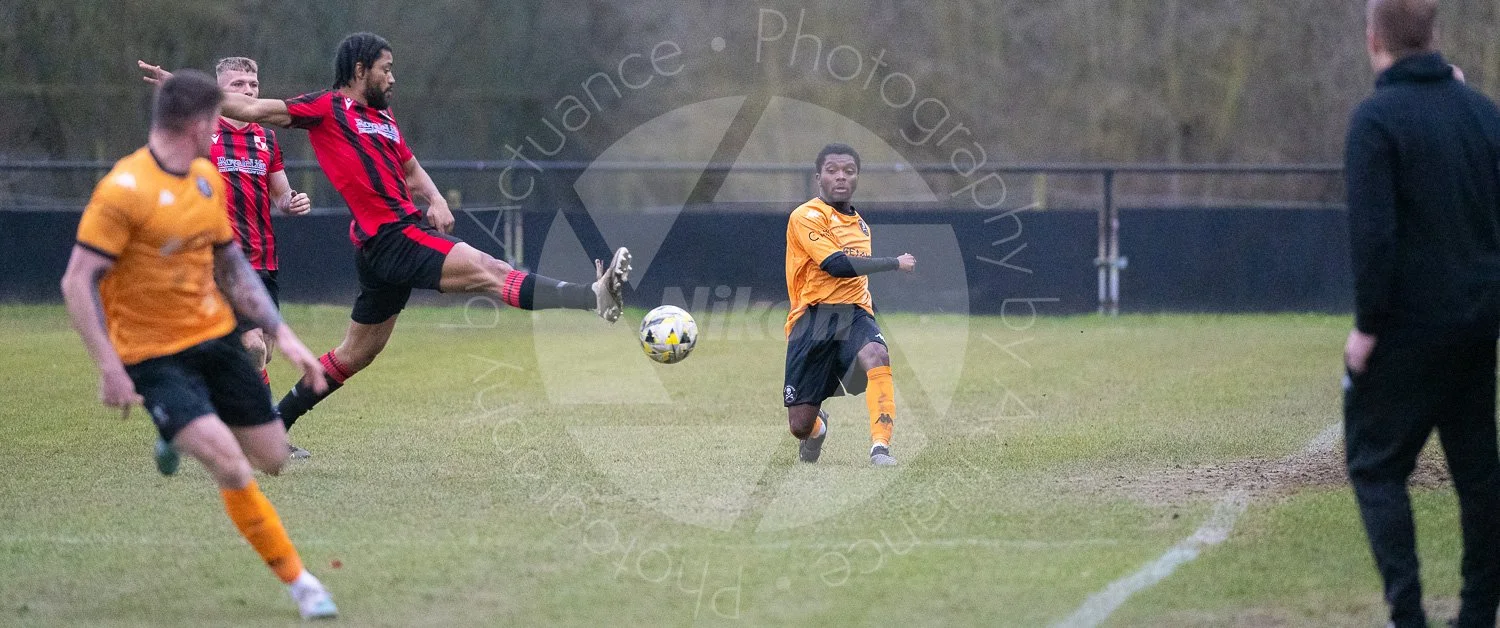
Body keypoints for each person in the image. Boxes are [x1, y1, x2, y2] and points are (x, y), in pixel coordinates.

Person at [140, 33, 631, 452]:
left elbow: (411, 167)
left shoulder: (385, 120)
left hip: (383, 245)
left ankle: (277, 422)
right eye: (386, 69)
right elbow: (249, 108)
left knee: (356, 354)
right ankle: (590, 297)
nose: (393, 78)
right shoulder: (326, 108)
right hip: (392, 237)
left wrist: (435, 198)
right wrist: (183, 91)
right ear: (360, 70)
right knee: (491, 270)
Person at [59, 70, 338, 620]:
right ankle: (302, 584)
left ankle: (175, 430)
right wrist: (110, 367)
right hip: (151, 356)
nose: (223, 126)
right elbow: (76, 280)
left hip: (213, 340)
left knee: (273, 459)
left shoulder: (207, 180)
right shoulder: (123, 190)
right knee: (231, 465)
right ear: (197, 123)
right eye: (216, 118)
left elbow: (232, 266)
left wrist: (283, 335)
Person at [1344, 1, 1500, 626]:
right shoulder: (1485, 116)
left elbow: (1375, 241)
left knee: (1376, 466)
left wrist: (1366, 329)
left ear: (1373, 38)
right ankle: (1479, 611)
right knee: (1478, 475)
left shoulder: (1375, 123)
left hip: (1409, 331)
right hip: (1478, 325)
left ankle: (1407, 612)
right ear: (1433, 35)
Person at [782, 143, 915, 467]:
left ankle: (880, 448)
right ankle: (819, 428)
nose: (840, 177)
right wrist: (894, 263)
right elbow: (837, 265)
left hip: (854, 313)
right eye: (832, 170)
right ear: (819, 177)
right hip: (812, 318)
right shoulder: (806, 216)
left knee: (877, 355)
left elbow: (852, 275)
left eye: (848, 171)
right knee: (800, 426)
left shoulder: (860, 224)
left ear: (856, 177)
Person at [210, 56, 314, 458]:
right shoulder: (205, 135)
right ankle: (262, 435)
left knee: (263, 350)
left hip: (264, 259)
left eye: (253, 84)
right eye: (239, 84)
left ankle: (209, 405)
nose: (250, 90)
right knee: (252, 347)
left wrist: (293, 201)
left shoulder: (266, 139)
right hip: (223, 262)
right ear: (220, 88)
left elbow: (280, 195)